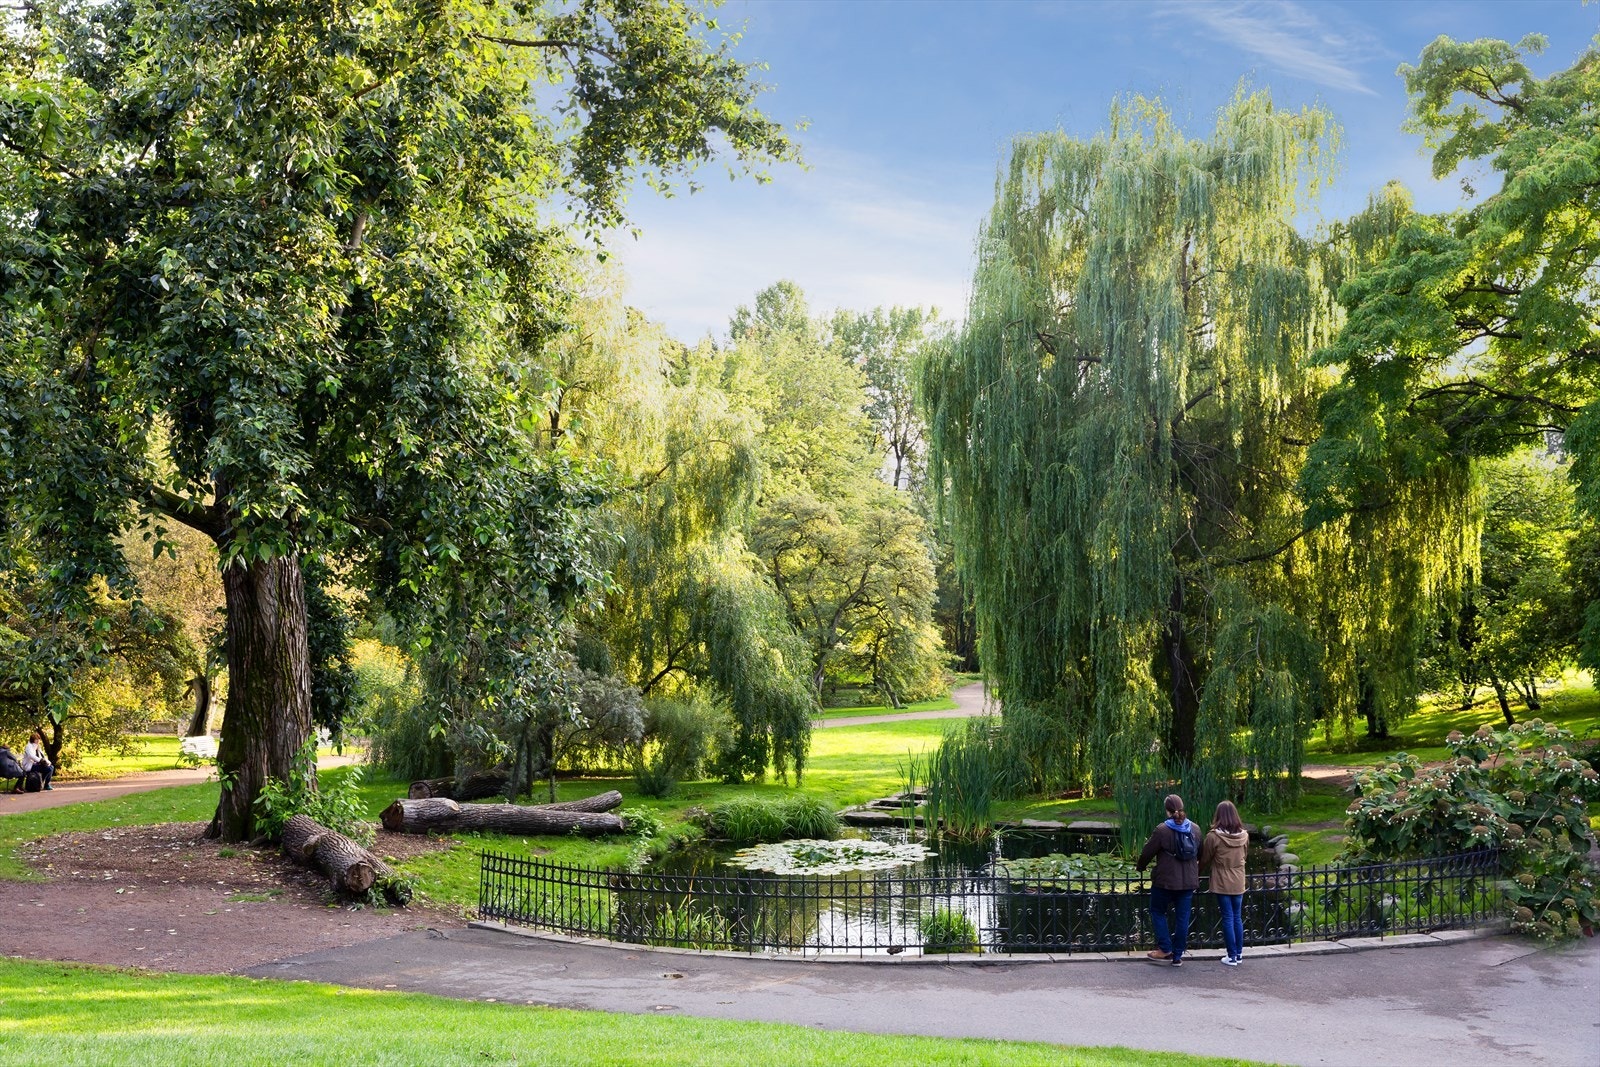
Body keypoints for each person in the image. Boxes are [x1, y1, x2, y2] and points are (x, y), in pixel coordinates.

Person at [1136, 793, 1199, 966]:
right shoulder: (1195, 829)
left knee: (1157, 911)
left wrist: (1140, 866)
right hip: (1188, 883)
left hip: (1165, 881)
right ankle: (1177, 956)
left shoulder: (1162, 830)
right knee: (1182, 918)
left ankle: (1165, 948)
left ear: (1167, 810)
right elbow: (1199, 853)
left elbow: (1147, 852)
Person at [1201, 799, 1249, 966]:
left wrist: (1196, 872)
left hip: (1222, 880)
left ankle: (1231, 956)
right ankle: (1239, 954)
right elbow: (1245, 856)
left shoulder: (1213, 837)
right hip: (1238, 880)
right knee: (1237, 917)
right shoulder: (1244, 835)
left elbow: (1205, 859)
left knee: (1228, 917)